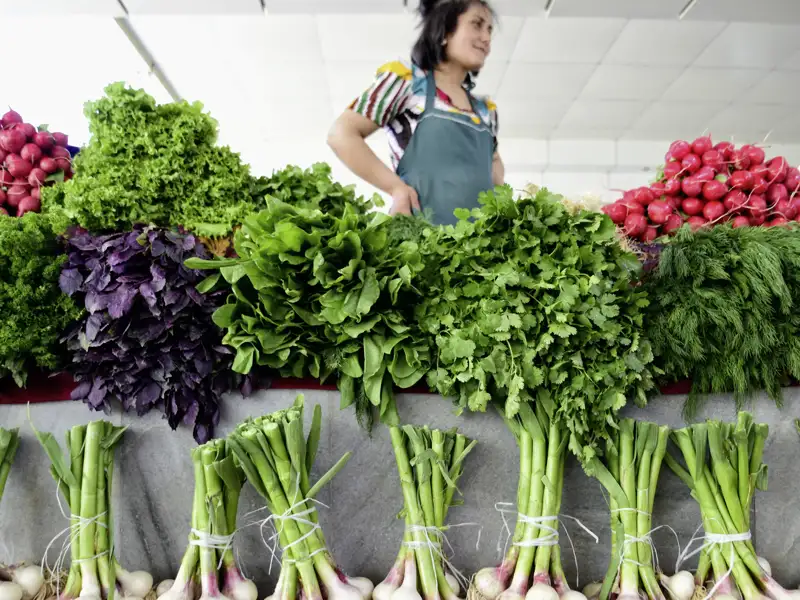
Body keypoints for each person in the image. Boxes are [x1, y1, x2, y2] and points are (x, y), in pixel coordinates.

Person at [327, 0, 503, 225]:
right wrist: (396, 189)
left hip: (481, 252)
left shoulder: (486, 111)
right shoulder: (407, 83)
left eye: (489, 30)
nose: (487, 39)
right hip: (422, 245)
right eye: (477, 25)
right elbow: (341, 134)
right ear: (445, 31)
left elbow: (494, 164)